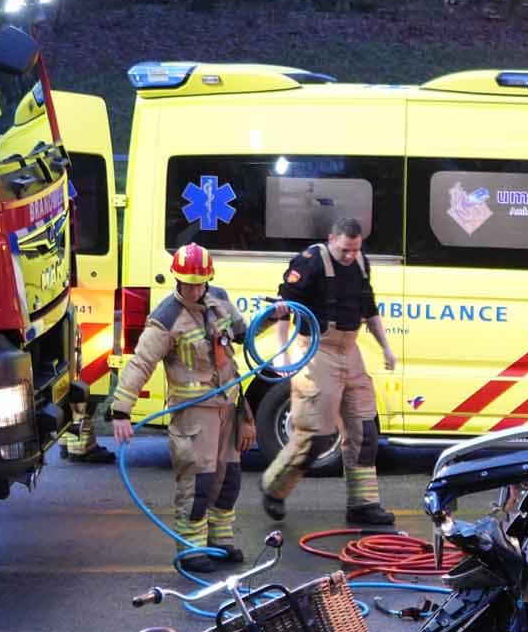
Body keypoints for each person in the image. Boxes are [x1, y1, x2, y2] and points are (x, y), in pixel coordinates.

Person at [106, 244, 255, 570]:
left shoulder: (219, 300)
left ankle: (220, 542)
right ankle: (191, 549)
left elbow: (245, 334)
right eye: (188, 283)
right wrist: (121, 411)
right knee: (197, 482)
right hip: (194, 414)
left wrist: (273, 318)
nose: (195, 289)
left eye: (200, 283)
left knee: (228, 478)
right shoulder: (166, 317)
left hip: (229, 407)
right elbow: (141, 363)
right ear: (177, 280)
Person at [259, 219, 397, 526]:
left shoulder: (360, 261)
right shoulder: (310, 262)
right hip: (317, 351)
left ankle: (363, 504)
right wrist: (283, 353)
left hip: (350, 351)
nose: (350, 256)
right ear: (331, 238)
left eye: (355, 249)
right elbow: (285, 307)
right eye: (345, 249)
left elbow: (369, 309)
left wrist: (386, 347)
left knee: (365, 431)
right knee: (317, 436)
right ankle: (274, 487)